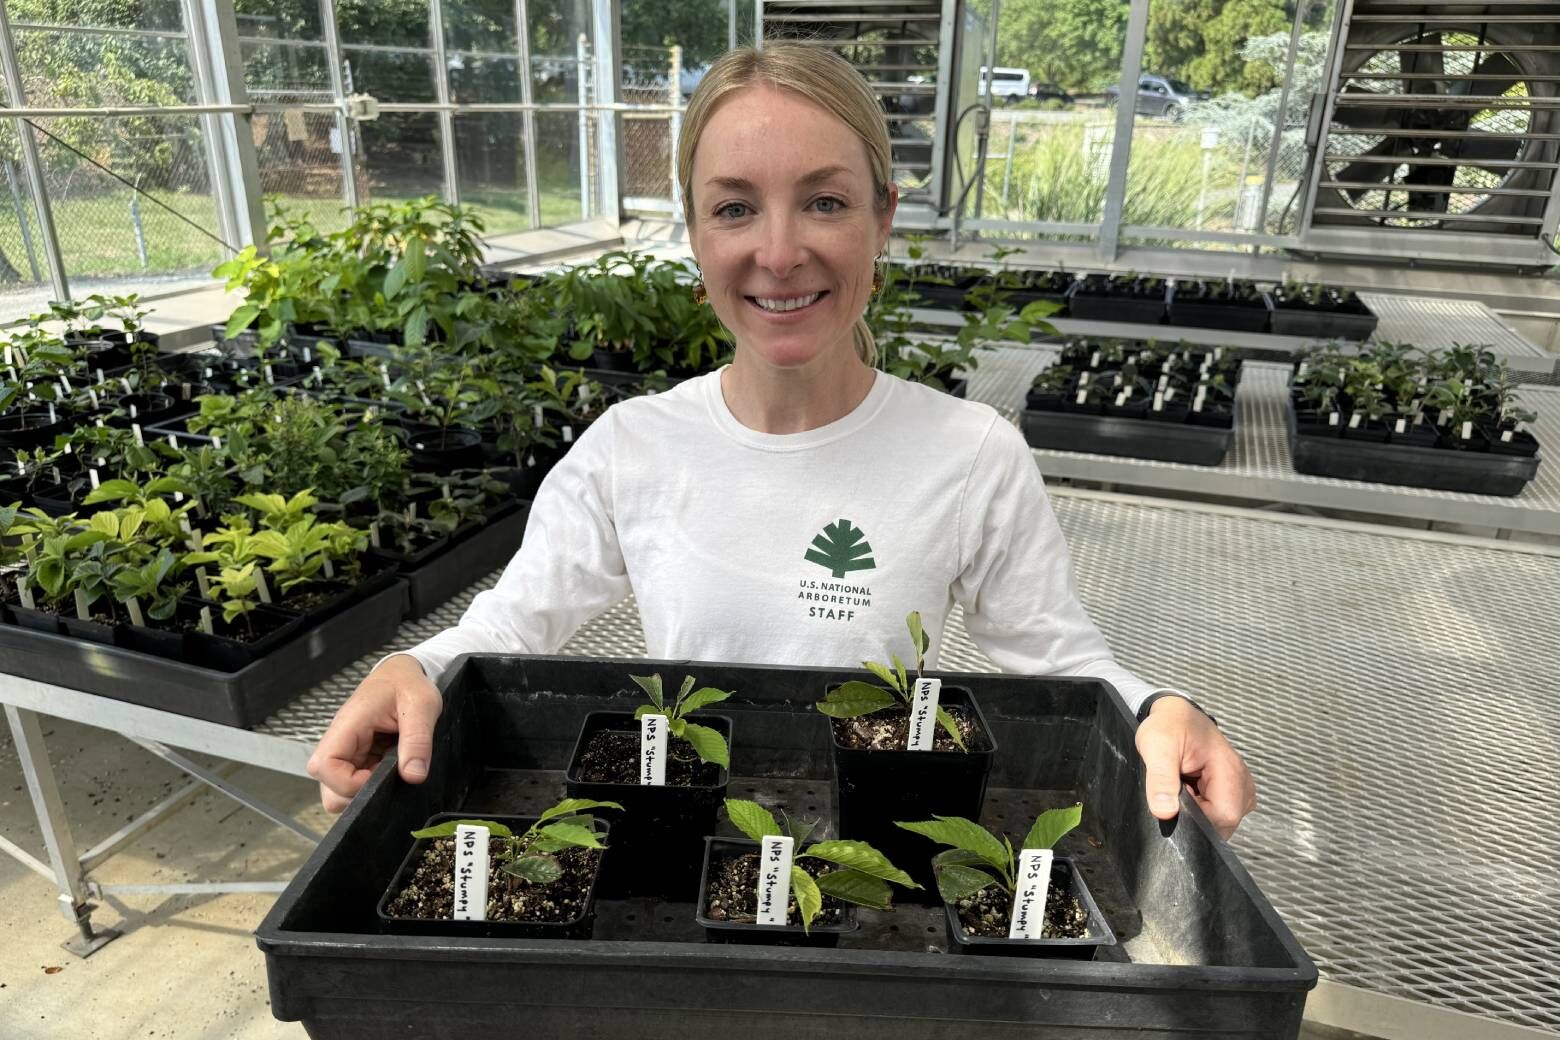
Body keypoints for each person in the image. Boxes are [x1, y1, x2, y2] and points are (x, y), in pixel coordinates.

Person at [308, 44, 1256, 838]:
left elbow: (1058, 657)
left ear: (883, 218)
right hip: (684, 841)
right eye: (733, 208)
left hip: (869, 843)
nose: (778, 250)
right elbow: (512, 629)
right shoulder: (631, 447)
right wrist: (413, 668)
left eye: (826, 201)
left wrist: (1161, 711)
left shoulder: (967, 453)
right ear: (693, 234)